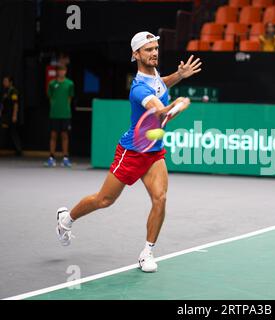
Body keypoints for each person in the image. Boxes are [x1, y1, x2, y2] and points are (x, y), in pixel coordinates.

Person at [55, 31, 202, 273]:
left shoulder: (153, 75)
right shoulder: (138, 89)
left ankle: (147, 252)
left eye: (156, 48)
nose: (154, 52)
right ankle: (66, 219)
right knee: (105, 200)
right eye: (148, 49)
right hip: (133, 151)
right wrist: (178, 106)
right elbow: (159, 111)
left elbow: (161, 84)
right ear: (136, 54)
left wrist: (178, 75)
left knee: (160, 198)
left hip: (153, 150)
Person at [46, 64, 74, 167]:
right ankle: (51, 157)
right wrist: (55, 106)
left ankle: (65, 158)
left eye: (63, 70)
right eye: (59, 70)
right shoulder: (52, 84)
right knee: (53, 135)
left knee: (64, 135)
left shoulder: (70, 83)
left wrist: (65, 108)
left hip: (65, 114)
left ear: (65, 71)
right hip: (54, 114)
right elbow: (50, 97)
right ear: (57, 72)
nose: (61, 72)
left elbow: (70, 98)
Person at [0, 75, 22, 156]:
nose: (4, 83)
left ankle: (19, 150)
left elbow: (16, 104)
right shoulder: (5, 91)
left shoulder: (14, 91)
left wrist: (14, 115)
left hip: (11, 115)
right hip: (5, 115)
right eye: (3, 81)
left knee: (13, 132)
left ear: (11, 82)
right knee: (5, 131)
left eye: (6, 81)